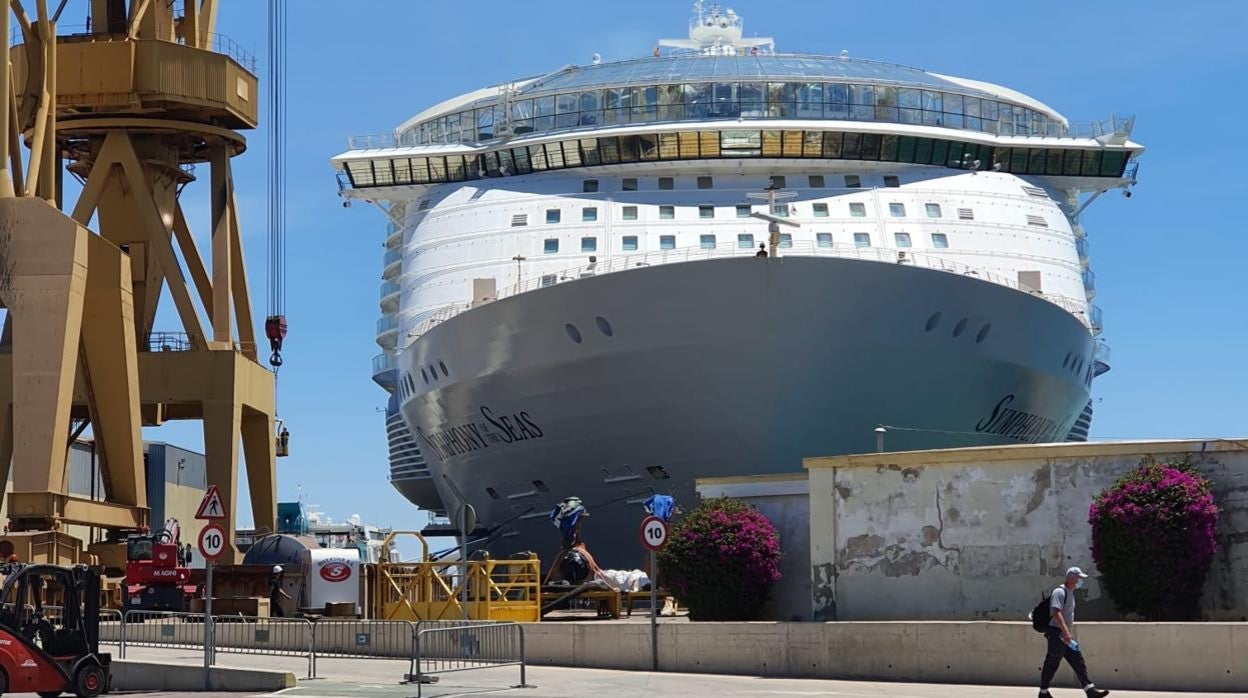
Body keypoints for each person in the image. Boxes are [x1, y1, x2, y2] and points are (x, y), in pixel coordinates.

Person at [1040, 567, 1109, 698]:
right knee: (1052, 663)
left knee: (1078, 660)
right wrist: (1065, 632)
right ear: (1071, 577)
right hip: (1057, 634)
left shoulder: (1070, 592)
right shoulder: (1060, 592)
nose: (1080, 581)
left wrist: (1067, 633)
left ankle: (1090, 690)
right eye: (1079, 578)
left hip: (1064, 635)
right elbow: (1056, 612)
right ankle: (1043, 693)